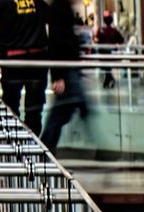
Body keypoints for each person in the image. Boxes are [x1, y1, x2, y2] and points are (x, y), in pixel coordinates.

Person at [0, 0, 53, 132]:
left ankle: (15, 146)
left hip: (12, 61)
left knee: (10, 109)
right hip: (37, 60)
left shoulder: (2, 3)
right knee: (34, 112)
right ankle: (33, 146)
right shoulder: (38, 2)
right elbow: (53, 20)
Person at [40, 0, 88, 149]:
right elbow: (55, 42)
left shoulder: (63, 7)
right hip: (66, 70)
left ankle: (44, 152)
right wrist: (57, 75)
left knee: (62, 114)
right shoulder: (59, 8)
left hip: (69, 69)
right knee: (60, 115)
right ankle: (43, 152)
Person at [94, 11, 125, 86]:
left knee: (106, 66)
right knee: (108, 67)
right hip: (112, 52)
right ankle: (109, 80)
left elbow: (96, 40)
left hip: (103, 52)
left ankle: (109, 80)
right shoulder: (114, 30)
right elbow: (121, 40)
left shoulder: (101, 30)